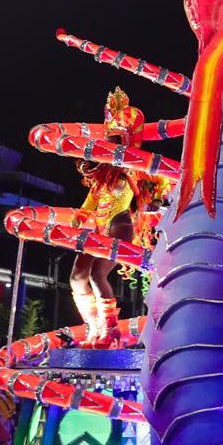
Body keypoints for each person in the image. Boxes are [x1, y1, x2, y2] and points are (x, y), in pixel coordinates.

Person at [68, 89, 172, 348]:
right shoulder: (102, 176)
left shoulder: (131, 167)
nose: (110, 144)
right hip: (100, 229)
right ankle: (94, 329)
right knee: (77, 277)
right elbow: (91, 202)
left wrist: (153, 201)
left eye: (116, 138)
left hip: (120, 227)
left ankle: (112, 332)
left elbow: (150, 192)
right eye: (110, 138)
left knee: (96, 275)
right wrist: (81, 214)